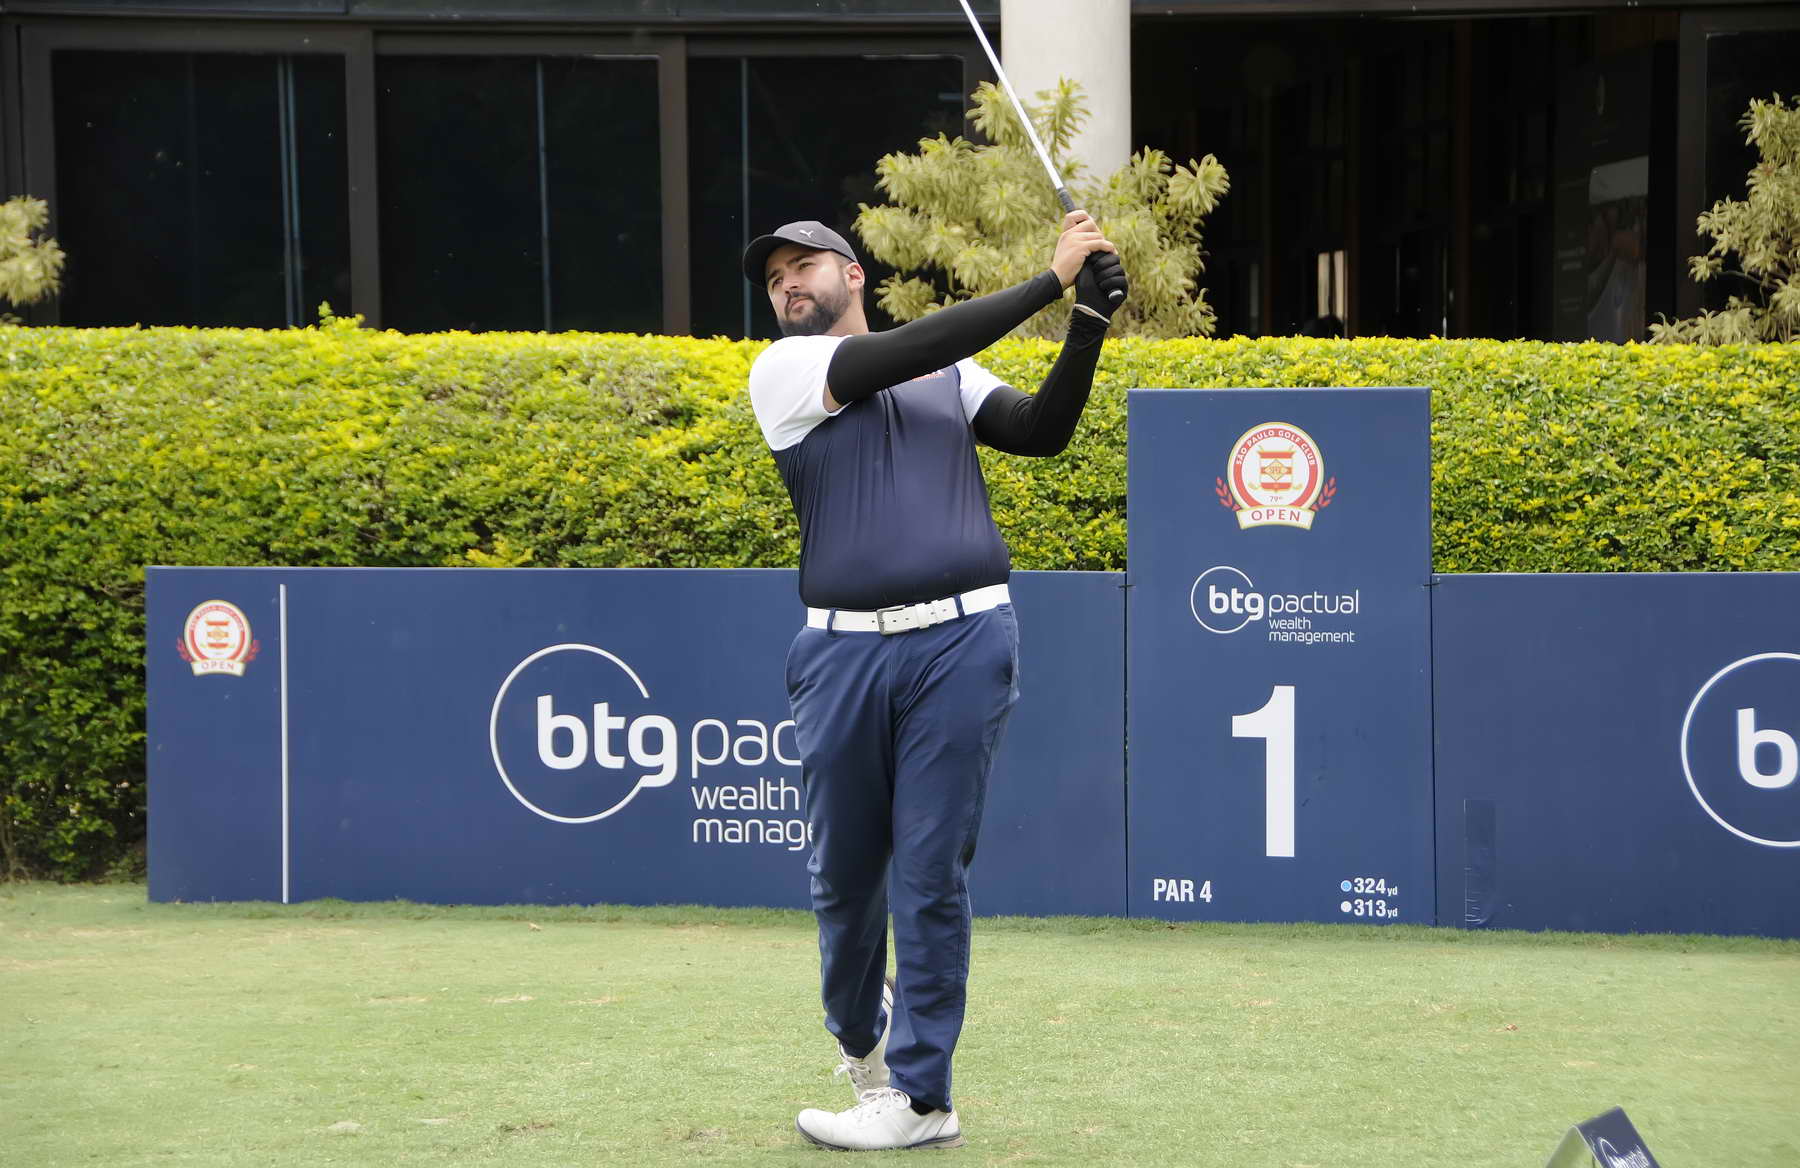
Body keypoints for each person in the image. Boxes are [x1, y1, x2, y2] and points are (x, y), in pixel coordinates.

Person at [741, 213, 1128, 1152]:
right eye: (775, 276)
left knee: (929, 874)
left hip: (964, 640)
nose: (787, 283)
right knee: (843, 883)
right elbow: (907, 350)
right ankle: (861, 1038)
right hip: (841, 654)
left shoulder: (951, 375)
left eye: (804, 266)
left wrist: (1086, 324)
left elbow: (1039, 431)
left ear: (853, 275)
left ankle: (920, 1099)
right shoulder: (784, 370)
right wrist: (1048, 282)